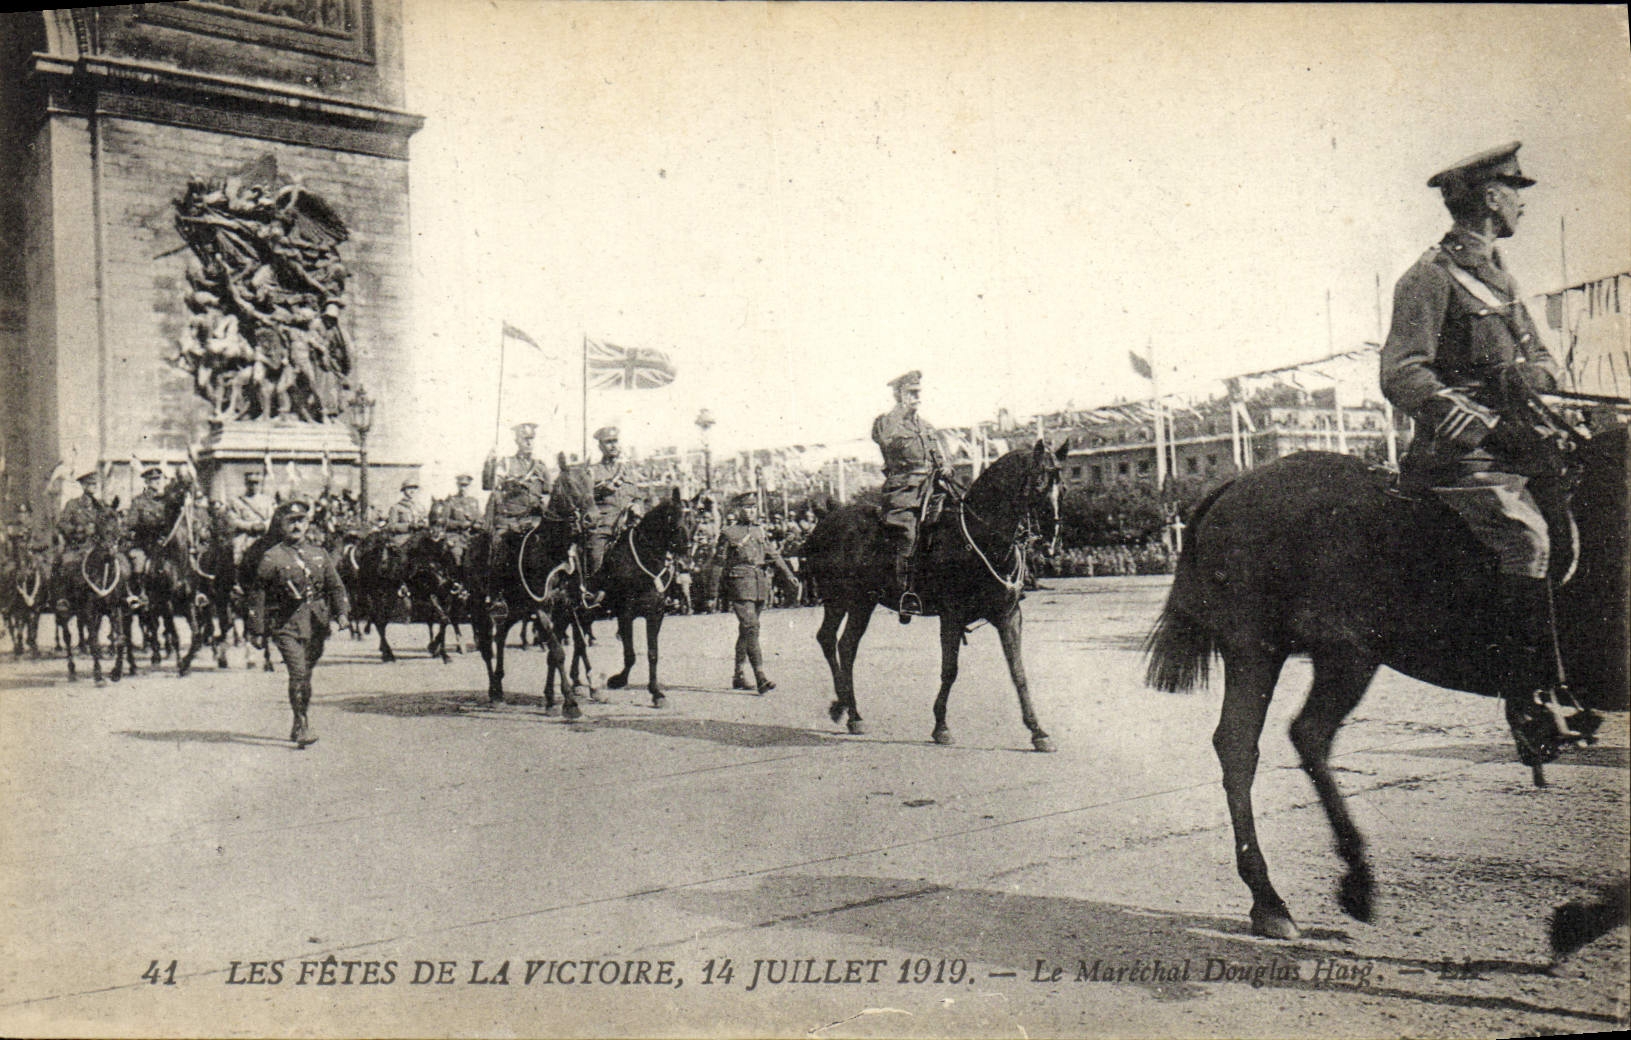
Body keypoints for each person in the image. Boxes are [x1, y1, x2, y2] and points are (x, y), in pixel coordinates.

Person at [1380, 141, 1580, 733]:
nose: (1523, 207)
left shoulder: (1500, 277)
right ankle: (1528, 698)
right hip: (1466, 457)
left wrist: (1526, 378)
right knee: (1529, 545)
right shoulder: (1428, 278)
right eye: (1517, 194)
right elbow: (1402, 371)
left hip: (1522, 445)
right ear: (1492, 198)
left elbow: (1544, 360)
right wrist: (1480, 418)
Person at [246, 499, 349, 748]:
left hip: (316, 624)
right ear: (281, 525)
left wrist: (342, 612)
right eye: (291, 522)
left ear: (307, 524)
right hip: (286, 625)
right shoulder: (272, 557)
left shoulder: (319, 553)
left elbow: (335, 586)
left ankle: (297, 718)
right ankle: (303, 724)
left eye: (300, 521)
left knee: (306, 676)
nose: (296, 526)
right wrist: (257, 630)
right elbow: (257, 594)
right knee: (299, 673)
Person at [871, 369, 943, 620]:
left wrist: (946, 465)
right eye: (910, 393)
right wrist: (900, 410)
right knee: (908, 534)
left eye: (917, 393)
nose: (916, 397)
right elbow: (885, 439)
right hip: (903, 491)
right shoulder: (886, 422)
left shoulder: (926, 426)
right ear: (899, 395)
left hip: (932, 487)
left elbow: (939, 454)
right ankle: (905, 593)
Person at [717, 492, 799, 693]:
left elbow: (773, 554)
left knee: (747, 630)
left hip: (759, 584)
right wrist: (712, 591)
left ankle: (739, 674)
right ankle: (761, 676)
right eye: (747, 507)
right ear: (738, 510)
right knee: (751, 627)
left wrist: (788, 574)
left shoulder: (759, 531)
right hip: (739, 582)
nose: (751, 511)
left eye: (753, 508)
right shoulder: (729, 533)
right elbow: (718, 562)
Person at [52, 470, 120, 614]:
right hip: (78, 547)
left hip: (97, 547)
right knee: (65, 563)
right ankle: (63, 599)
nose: (93, 486)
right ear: (83, 486)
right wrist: (80, 529)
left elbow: (111, 523)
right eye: (90, 484)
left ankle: (121, 598)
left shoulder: (101, 506)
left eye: (95, 484)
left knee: (118, 565)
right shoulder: (73, 505)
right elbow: (62, 524)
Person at [582, 425, 636, 603]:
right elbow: (585, 499)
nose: (613, 445)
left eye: (615, 441)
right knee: (596, 555)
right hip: (605, 525)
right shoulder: (593, 471)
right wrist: (600, 492)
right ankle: (595, 593)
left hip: (628, 524)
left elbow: (638, 496)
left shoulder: (627, 470)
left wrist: (637, 507)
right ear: (600, 446)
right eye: (608, 442)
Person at [482, 421, 551, 536]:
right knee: (500, 544)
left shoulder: (541, 467)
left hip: (535, 520)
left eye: (531, 439)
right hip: (511, 521)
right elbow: (490, 485)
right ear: (517, 441)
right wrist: (490, 464)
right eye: (525, 439)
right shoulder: (507, 463)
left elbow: (548, 493)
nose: (528, 442)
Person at [124, 464, 170, 577]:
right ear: (147, 482)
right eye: (153, 479)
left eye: (159, 478)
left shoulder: (166, 501)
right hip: (146, 543)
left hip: (166, 543)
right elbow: (131, 523)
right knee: (139, 563)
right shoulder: (139, 501)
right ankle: (139, 591)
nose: (157, 482)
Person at [227, 470, 276, 565]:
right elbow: (233, 520)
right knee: (239, 559)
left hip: (264, 535)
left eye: (256, 483)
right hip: (245, 537)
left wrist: (264, 525)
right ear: (246, 484)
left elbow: (273, 517)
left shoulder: (268, 500)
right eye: (250, 483)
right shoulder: (237, 502)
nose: (253, 486)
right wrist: (251, 526)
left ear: (260, 484)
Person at [436, 473, 483, 565]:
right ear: (457, 485)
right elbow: (444, 521)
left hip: (472, 537)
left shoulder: (474, 501)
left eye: (466, 486)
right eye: (461, 485)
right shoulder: (451, 501)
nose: (463, 488)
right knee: (457, 555)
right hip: (456, 536)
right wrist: (459, 524)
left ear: (470, 486)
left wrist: (478, 524)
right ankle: (457, 577)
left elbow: (479, 518)